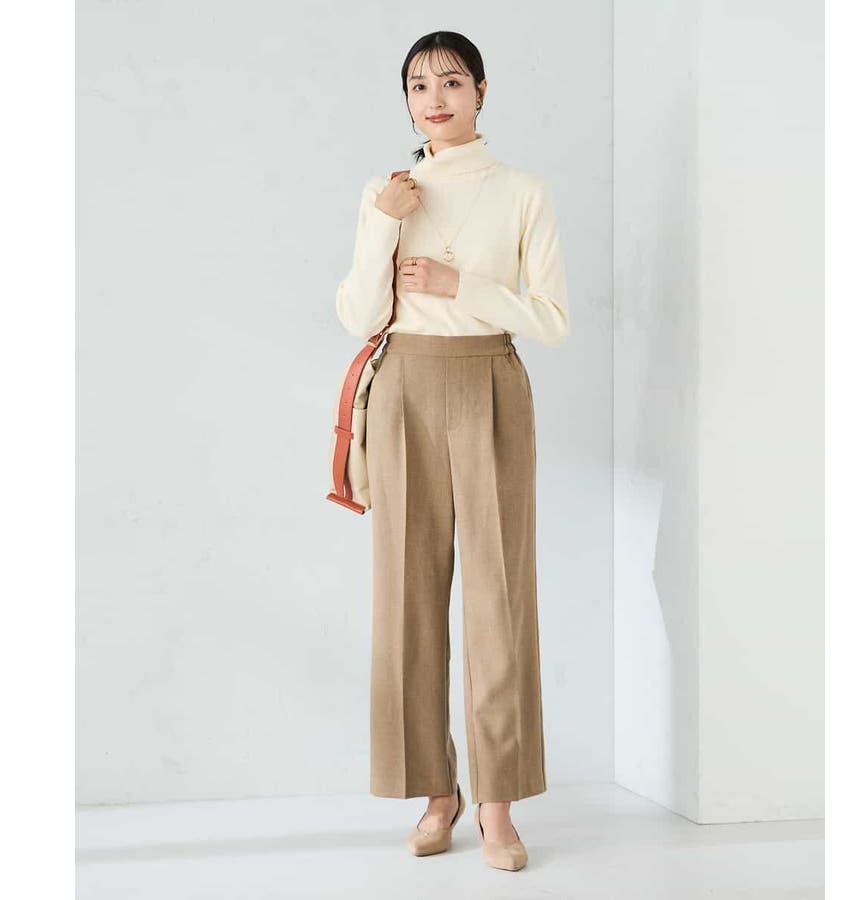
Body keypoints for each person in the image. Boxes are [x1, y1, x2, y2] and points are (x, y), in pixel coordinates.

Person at [335, 31, 569, 872]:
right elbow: (360, 315)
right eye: (418, 84)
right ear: (406, 99)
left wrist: (459, 285)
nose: (434, 98)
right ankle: (438, 793)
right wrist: (381, 226)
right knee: (406, 594)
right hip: (403, 387)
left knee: (499, 596)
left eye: (452, 81)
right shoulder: (386, 192)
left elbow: (552, 319)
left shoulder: (522, 191)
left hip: (491, 383)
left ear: (481, 91)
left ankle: (498, 804)